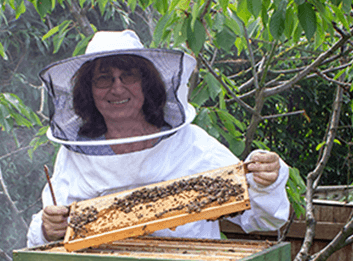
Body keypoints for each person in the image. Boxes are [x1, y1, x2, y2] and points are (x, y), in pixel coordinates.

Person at [27, 30, 289, 248]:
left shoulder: (191, 144)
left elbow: (264, 219)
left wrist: (266, 181)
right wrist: (47, 229)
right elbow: (47, 240)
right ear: (89, 92)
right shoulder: (75, 156)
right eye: (103, 79)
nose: (117, 87)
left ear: (146, 83)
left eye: (128, 75)